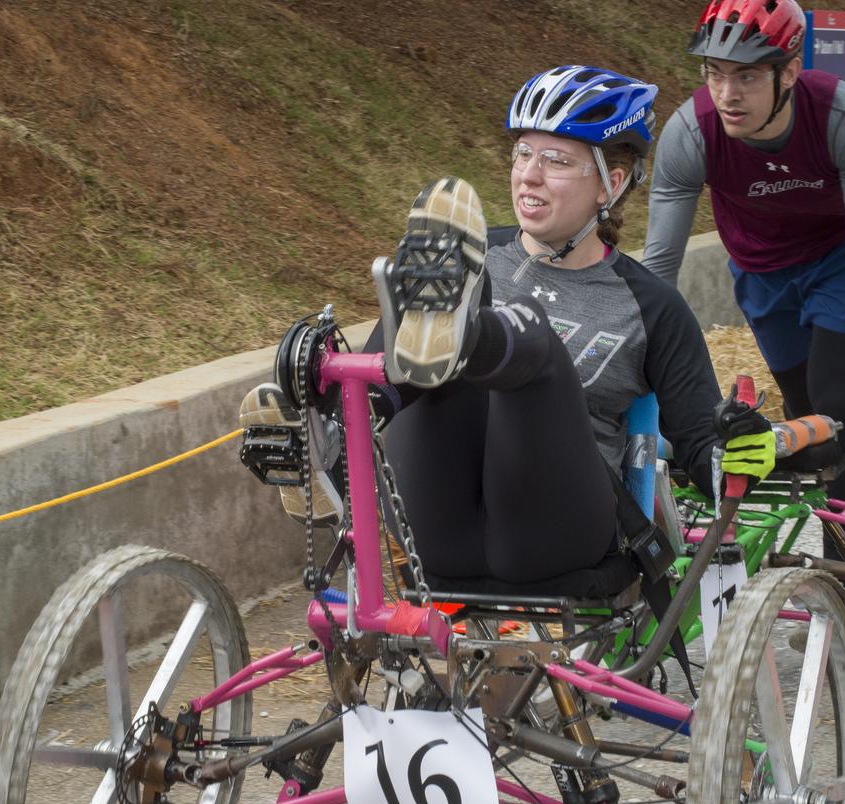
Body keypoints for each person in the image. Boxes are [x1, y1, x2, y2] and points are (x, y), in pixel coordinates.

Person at [244, 65, 776, 588]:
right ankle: (338, 441)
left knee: (527, 336)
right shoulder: (464, 256)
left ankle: (465, 339)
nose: (529, 173)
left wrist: (740, 452)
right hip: (438, 528)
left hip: (553, 533)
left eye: (556, 159)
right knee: (438, 281)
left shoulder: (653, 305)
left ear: (610, 185)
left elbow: (705, 455)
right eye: (523, 153)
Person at [642, 0, 845, 563]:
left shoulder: (844, 117)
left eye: (745, 76)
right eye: (714, 73)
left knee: (838, 404)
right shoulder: (691, 133)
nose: (727, 93)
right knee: (803, 411)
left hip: (839, 261)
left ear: (787, 71)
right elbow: (658, 269)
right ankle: (844, 527)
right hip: (761, 273)